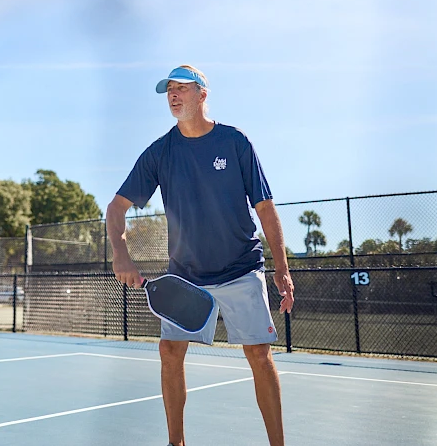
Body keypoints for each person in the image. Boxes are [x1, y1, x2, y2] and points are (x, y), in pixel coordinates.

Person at [106, 65, 295, 446]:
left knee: (259, 355)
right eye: (169, 90)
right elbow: (116, 208)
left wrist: (282, 269)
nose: (174, 95)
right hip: (187, 275)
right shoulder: (160, 152)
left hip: (241, 267)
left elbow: (265, 208)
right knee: (169, 351)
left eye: (182, 89)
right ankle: (176, 443)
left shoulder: (234, 141)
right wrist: (121, 254)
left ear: (202, 95)